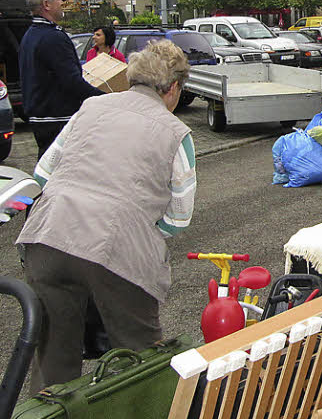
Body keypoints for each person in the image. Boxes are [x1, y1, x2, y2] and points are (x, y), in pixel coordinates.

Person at [17, 39, 197, 391]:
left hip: (48, 236)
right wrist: (137, 225)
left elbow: (41, 175)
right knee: (139, 355)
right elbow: (178, 218)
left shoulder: (90, 107)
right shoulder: (175, 132)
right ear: (174, 87)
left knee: (53, 353)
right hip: (116, 249)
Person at [18, 0, 102, 158]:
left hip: (40, 117)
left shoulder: (30, 35)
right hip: (57, 118)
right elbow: (71, 81)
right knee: (64, 170)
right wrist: (105, 97)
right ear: (46, 5)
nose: (62, 2)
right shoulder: (52, 37)